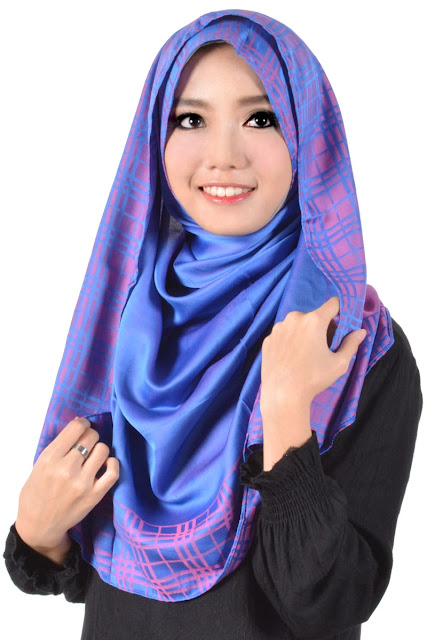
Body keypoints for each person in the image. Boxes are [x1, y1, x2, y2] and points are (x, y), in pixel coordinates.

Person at [4, 9, 422, 640]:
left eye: (261, 118)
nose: (222, 157)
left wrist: (286, 413)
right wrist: (39, 533)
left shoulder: (357, 346)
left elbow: (329, 605)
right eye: (190, 120)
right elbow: (108, 577)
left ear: (307, 137)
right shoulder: (127, 315)